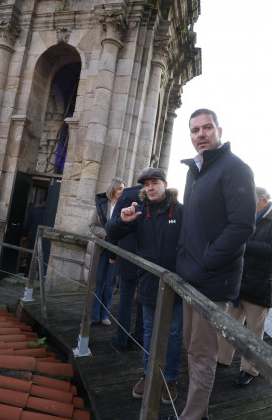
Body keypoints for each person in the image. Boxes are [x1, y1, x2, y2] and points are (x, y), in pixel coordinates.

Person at [170, 108, 256, 420]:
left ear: (219, 130)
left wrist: (207, 261)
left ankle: (192, 417)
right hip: (190, 276)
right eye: (195, 130)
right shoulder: (195, 172)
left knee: (203, 355)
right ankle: (197, 412)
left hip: (211, 279)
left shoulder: (235, 169)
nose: (201, 134)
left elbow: (243, 225)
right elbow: (192, 225)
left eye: (207, 128)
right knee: (192, 350)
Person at [106, 168, 184, 405]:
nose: (150, 187)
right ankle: (148, 374)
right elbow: (111, 233)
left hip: (176, 285)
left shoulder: (180, 212)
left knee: (173, 333)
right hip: (149, 282)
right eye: (146, 184)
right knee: (149, 331)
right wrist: (121, 220)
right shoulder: (139, 211)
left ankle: (169, 378)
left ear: (165, 184)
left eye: (155, 182)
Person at [217, 187, 272, 386]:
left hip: (259, 285)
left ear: (263, 202)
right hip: (237, 282)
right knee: (228, 324)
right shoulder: (246, 217)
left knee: (254, 332)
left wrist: (244, 244)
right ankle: (221, 358)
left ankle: (249, 370)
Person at [107, 181, 145, 354]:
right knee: (143, 300)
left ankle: (121, 341)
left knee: (126, 298)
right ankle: (138, 338)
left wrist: (112, 254)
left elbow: (114, 226)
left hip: (126, 252)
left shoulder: (127, 195)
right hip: (147, 255)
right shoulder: (157, 196)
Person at [85, 178, 125, 326]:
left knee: (110, 283)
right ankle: (94, 315)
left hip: (115, 250)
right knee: (98, 282)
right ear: (113, 189)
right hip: (101, 249)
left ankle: (104, 314)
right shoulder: (102, 204)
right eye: (120, 188)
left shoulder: (124, 207)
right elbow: (92, 226)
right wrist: (107, 233)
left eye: (123, 189)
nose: (122, 191)